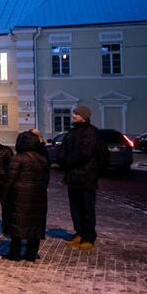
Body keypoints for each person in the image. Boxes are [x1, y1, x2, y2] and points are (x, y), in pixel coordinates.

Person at [60, 105, 105, 250]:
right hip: (73, 176)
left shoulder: (91, 132)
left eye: (76, 113)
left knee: (87, 208)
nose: (73, 116)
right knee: (75, 207)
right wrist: (61, 158)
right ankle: (79, 233)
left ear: (83, 116)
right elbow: (64, 149)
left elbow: (85, 152)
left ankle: (89, 237)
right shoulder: (72, 132)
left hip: (86, 176)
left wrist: (67, 160)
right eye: (74, 113)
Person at [3, 131, 50, 262]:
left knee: (17, 224)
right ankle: (31, 254)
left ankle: (15, 253)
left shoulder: (18, 157)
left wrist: (5, 195)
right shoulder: (42, 158)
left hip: (18, 196)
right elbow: (46, 179)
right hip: (38, 195)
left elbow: (10, 179)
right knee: (35, 225)